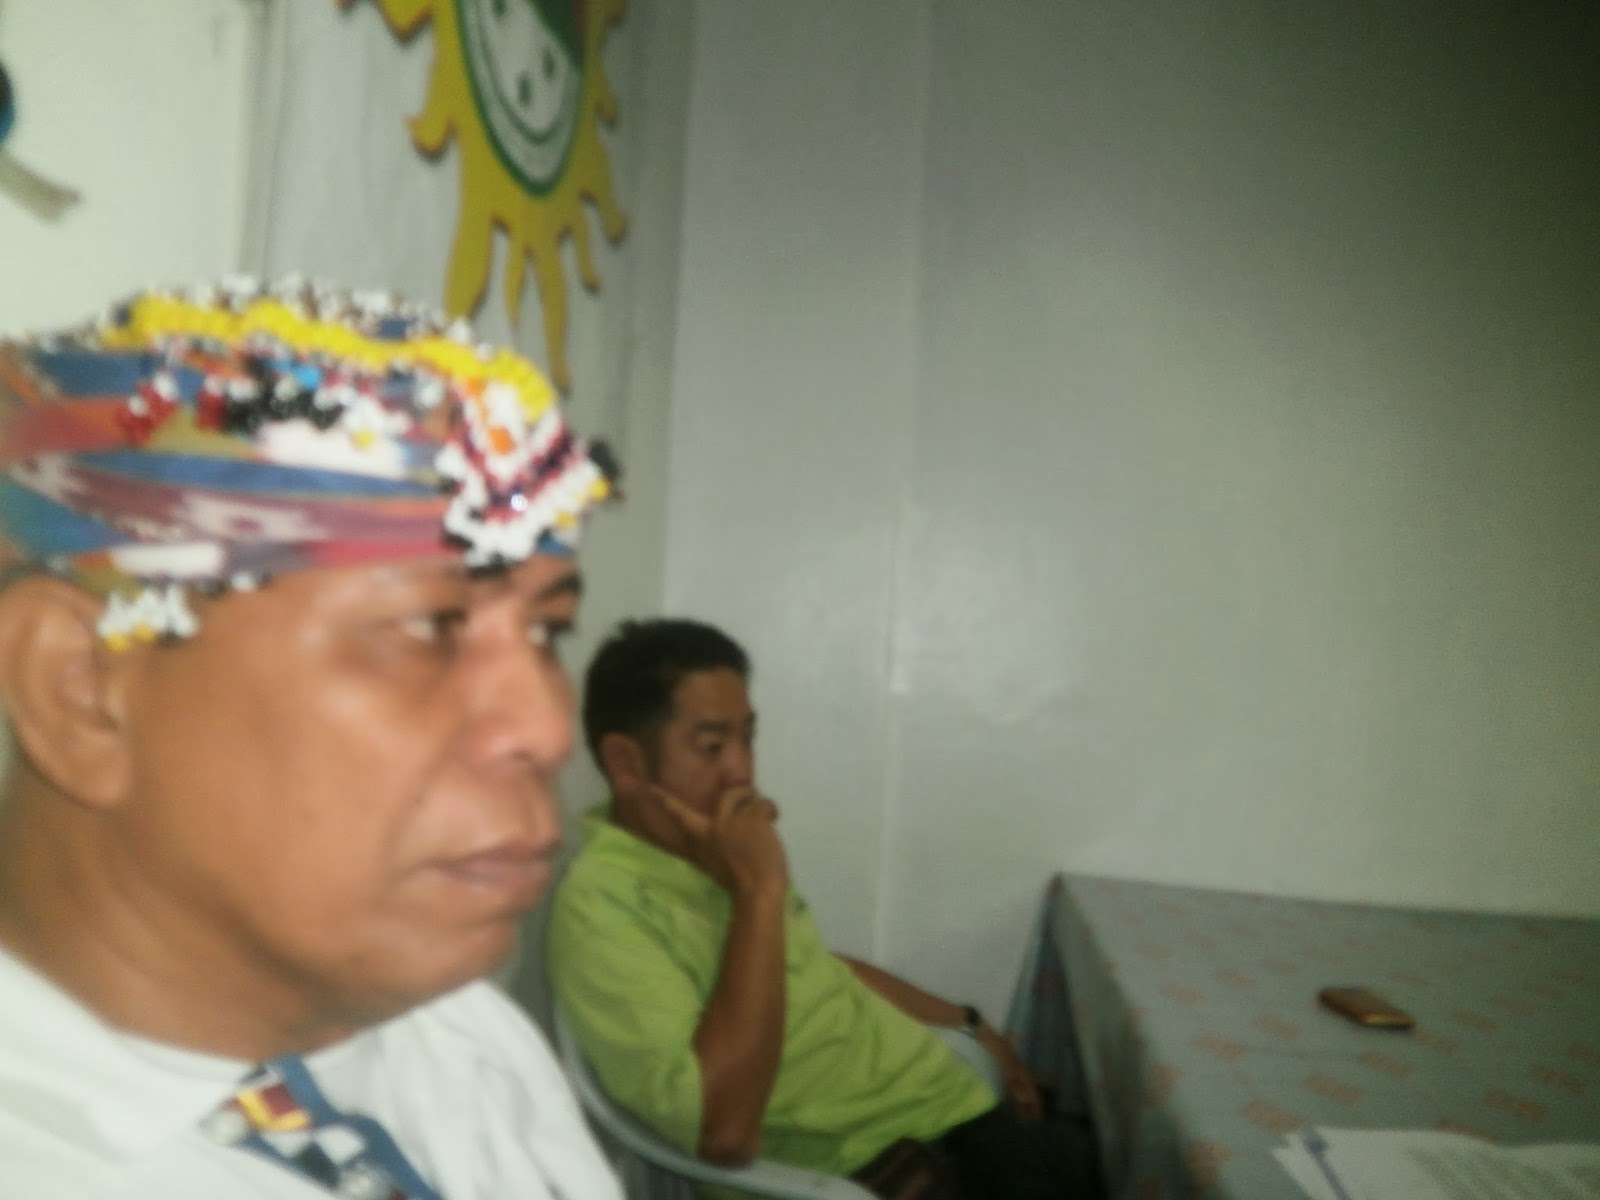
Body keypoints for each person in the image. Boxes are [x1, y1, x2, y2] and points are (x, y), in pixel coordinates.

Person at [0, 278, 625, 1199]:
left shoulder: (468, 1041)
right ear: (80, 687)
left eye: (547, 632)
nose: (544, 727)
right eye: (428, 625)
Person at [546, 618, 1103, 1199]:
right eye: (712, 746)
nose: (742, 771)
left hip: (956, 1113)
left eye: (747, 739)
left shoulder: (712, 853)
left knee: (1123, 1151)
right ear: (627, 764)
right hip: (885, 1171)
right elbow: (722, 1132)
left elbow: (816, 970)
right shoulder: (603, 908)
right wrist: (759, 892)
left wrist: (970, 1024)